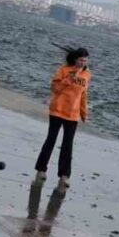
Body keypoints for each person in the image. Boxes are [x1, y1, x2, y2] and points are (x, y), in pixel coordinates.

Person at [34, 47, 90, 190]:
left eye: (85, 60)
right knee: (51, 140)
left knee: (68, 145)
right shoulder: (63, 70)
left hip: (73, 114)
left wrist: (84, 113)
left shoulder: (87, 74)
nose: (83, 63)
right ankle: (41, 170)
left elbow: (83, 95)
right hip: (57, 111)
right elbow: (55, 89)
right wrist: (69, 79)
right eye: (80, 60)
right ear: (75, 59)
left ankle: (64, 175)